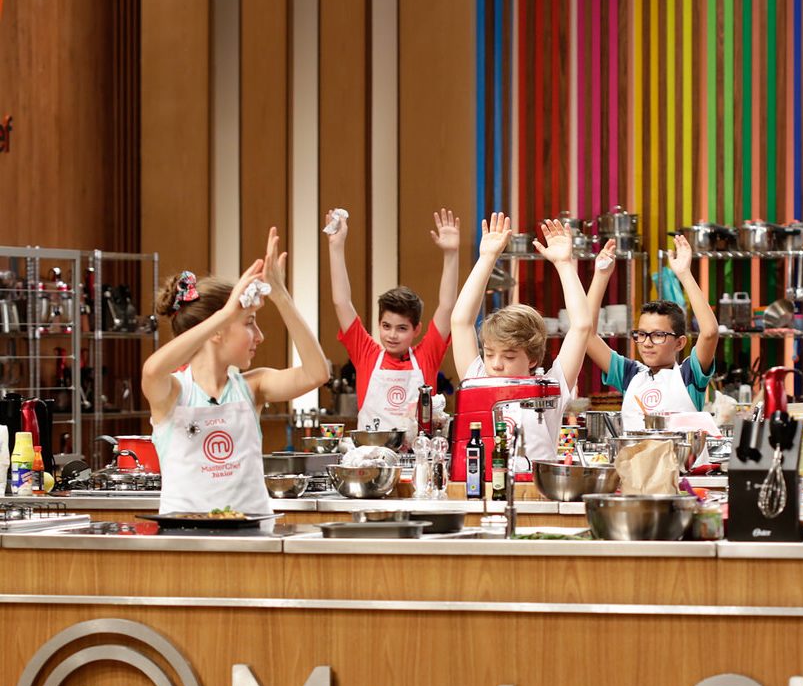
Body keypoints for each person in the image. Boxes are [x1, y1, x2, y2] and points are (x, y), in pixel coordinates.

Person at [143, 227, 330, 517]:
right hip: (184, 535)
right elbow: (152, 370)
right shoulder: (175, 392)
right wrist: (227, 314)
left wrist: (281, 296)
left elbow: (317, 373)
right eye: (249, 323)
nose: (260, 336)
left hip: (251, 533)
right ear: (217, 331)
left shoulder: (253, 387)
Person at [450, 214, 592, 465]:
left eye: (509, 356)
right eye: (489, 354)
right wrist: (487, 258)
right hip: (484, 483)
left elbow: (581, 326)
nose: (496, 364)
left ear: (533, 359)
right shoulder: (478, 381)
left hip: (536, 485)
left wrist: (564, 264)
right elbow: (460, 322)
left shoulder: (548, 389)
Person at [327, 207, 458, 438]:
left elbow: (447, 306)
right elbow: (341, 302)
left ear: (417, 329)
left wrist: (451, 254)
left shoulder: (427, 355)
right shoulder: (366, 354)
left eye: (402, 328)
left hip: (418, 454)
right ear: (379, 324)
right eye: (386, 326)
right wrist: (335, 247)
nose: (392, 335)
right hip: (371, 454)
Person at [585, 233, 718, 432]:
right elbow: (586, 336)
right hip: (634, 454)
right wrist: (601, 276)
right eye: (641, 334)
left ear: (680, 343)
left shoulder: (689, 375)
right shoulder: (630, 374)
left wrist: (684, 274)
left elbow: (709, 332)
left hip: (678, 454)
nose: (647, 343)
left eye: (658, 335)